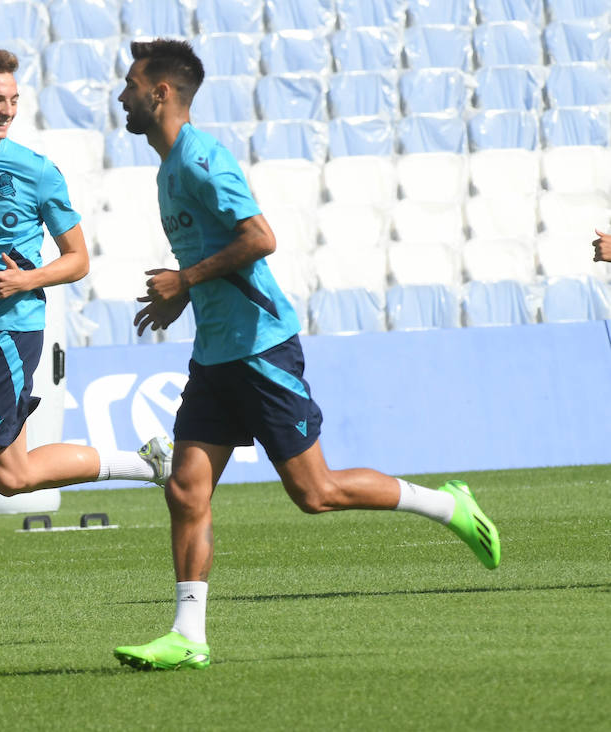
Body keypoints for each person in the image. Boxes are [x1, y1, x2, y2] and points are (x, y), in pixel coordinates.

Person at [112, 39, 501, 671]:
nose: (122, 95)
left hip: (261, 349)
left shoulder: (202, 160)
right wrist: (186, 294)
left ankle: (449, 504)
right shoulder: (167, 167)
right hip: (215, 354)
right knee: (186, 489)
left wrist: (184, 281)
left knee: (314, 492)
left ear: (160, 93)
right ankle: (188, 636)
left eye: (131, 84)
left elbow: (260, 238)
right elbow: (214, 253)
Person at [0, 50, 174, 659]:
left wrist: (26, 280)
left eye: (14, 100)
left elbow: (77, 259)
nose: (7, 110)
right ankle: (146, 464)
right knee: (12, 475)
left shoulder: (37, 171)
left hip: (13, 328)